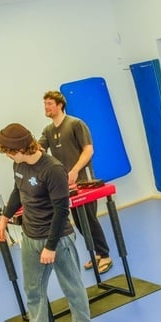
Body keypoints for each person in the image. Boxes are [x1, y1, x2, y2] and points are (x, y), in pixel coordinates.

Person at [0, 123, 92, 322]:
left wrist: (50, 246)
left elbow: (61, 210)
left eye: (8, 151)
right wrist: (5, 218)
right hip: (30, 236)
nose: (8, 156)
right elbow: (17, 192)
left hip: (58, 238)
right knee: (33, 290)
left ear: (20, 148)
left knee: (71, 284)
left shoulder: (53, 169)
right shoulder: (18, 164)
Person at [38, 90, 112, 274]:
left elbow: (88, 150)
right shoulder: (48, 131)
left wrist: (75, 170)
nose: (46, 107)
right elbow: (39, 149)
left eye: (49, 103)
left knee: (89, 219)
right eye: (44, 104)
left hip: (83, 180)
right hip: (65, 183)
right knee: (79, 222)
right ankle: (97, 252)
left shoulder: (76, 124)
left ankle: (105, 255)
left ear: (59, 105)